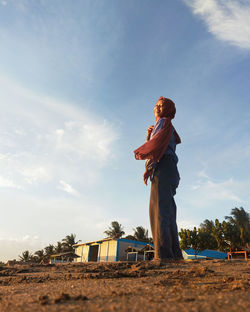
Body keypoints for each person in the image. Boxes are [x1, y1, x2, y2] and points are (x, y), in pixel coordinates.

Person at [134, 96, 183, 261]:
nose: (158, 108)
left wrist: (148, 168)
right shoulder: (167, 126)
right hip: (170, 171)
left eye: (162, 106)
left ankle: (163, 255)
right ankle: (174, 254)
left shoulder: (162, 122)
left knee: (159, 211)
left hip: (163, 169)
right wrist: (149, 136)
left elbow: (155, 148)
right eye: (156, 105)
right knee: (168, 212)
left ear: (168, 110)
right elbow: (157, 144)